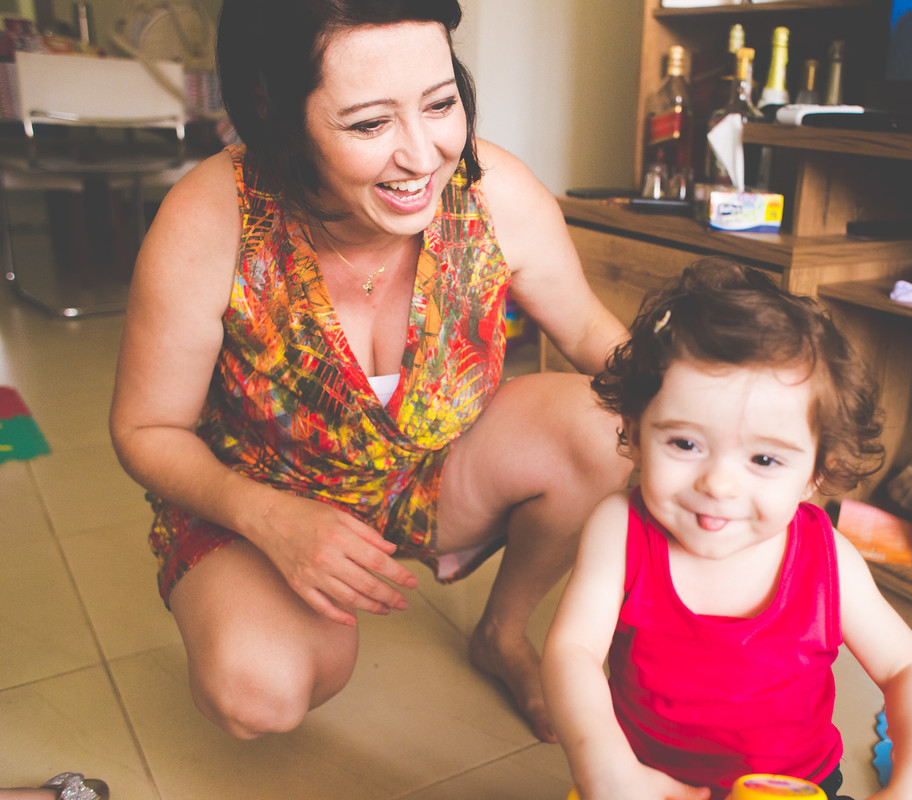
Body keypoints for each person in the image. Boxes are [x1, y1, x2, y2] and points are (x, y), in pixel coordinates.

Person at [108, 0, 630, 744]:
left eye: (442, 102)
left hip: (426, 476)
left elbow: (588, 331)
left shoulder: (493, 193)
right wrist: (270, 518)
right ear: (276, 109)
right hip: (259, 496)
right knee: (259, 689)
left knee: (613, 426)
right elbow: (144, 428)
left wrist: (732, 426)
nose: (423, 156)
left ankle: (504, 634)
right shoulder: (212, 217)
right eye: (369, 124)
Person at [542, 258, 912, 800]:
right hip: (646, 783)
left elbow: (908, 667)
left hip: (792, 788)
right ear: (638, 431)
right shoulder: (620, 528)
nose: (719, 484)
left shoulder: (825, 556)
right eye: (685, 444)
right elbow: (571, 650)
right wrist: (604, 764)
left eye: (764, 459)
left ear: (818, 472)